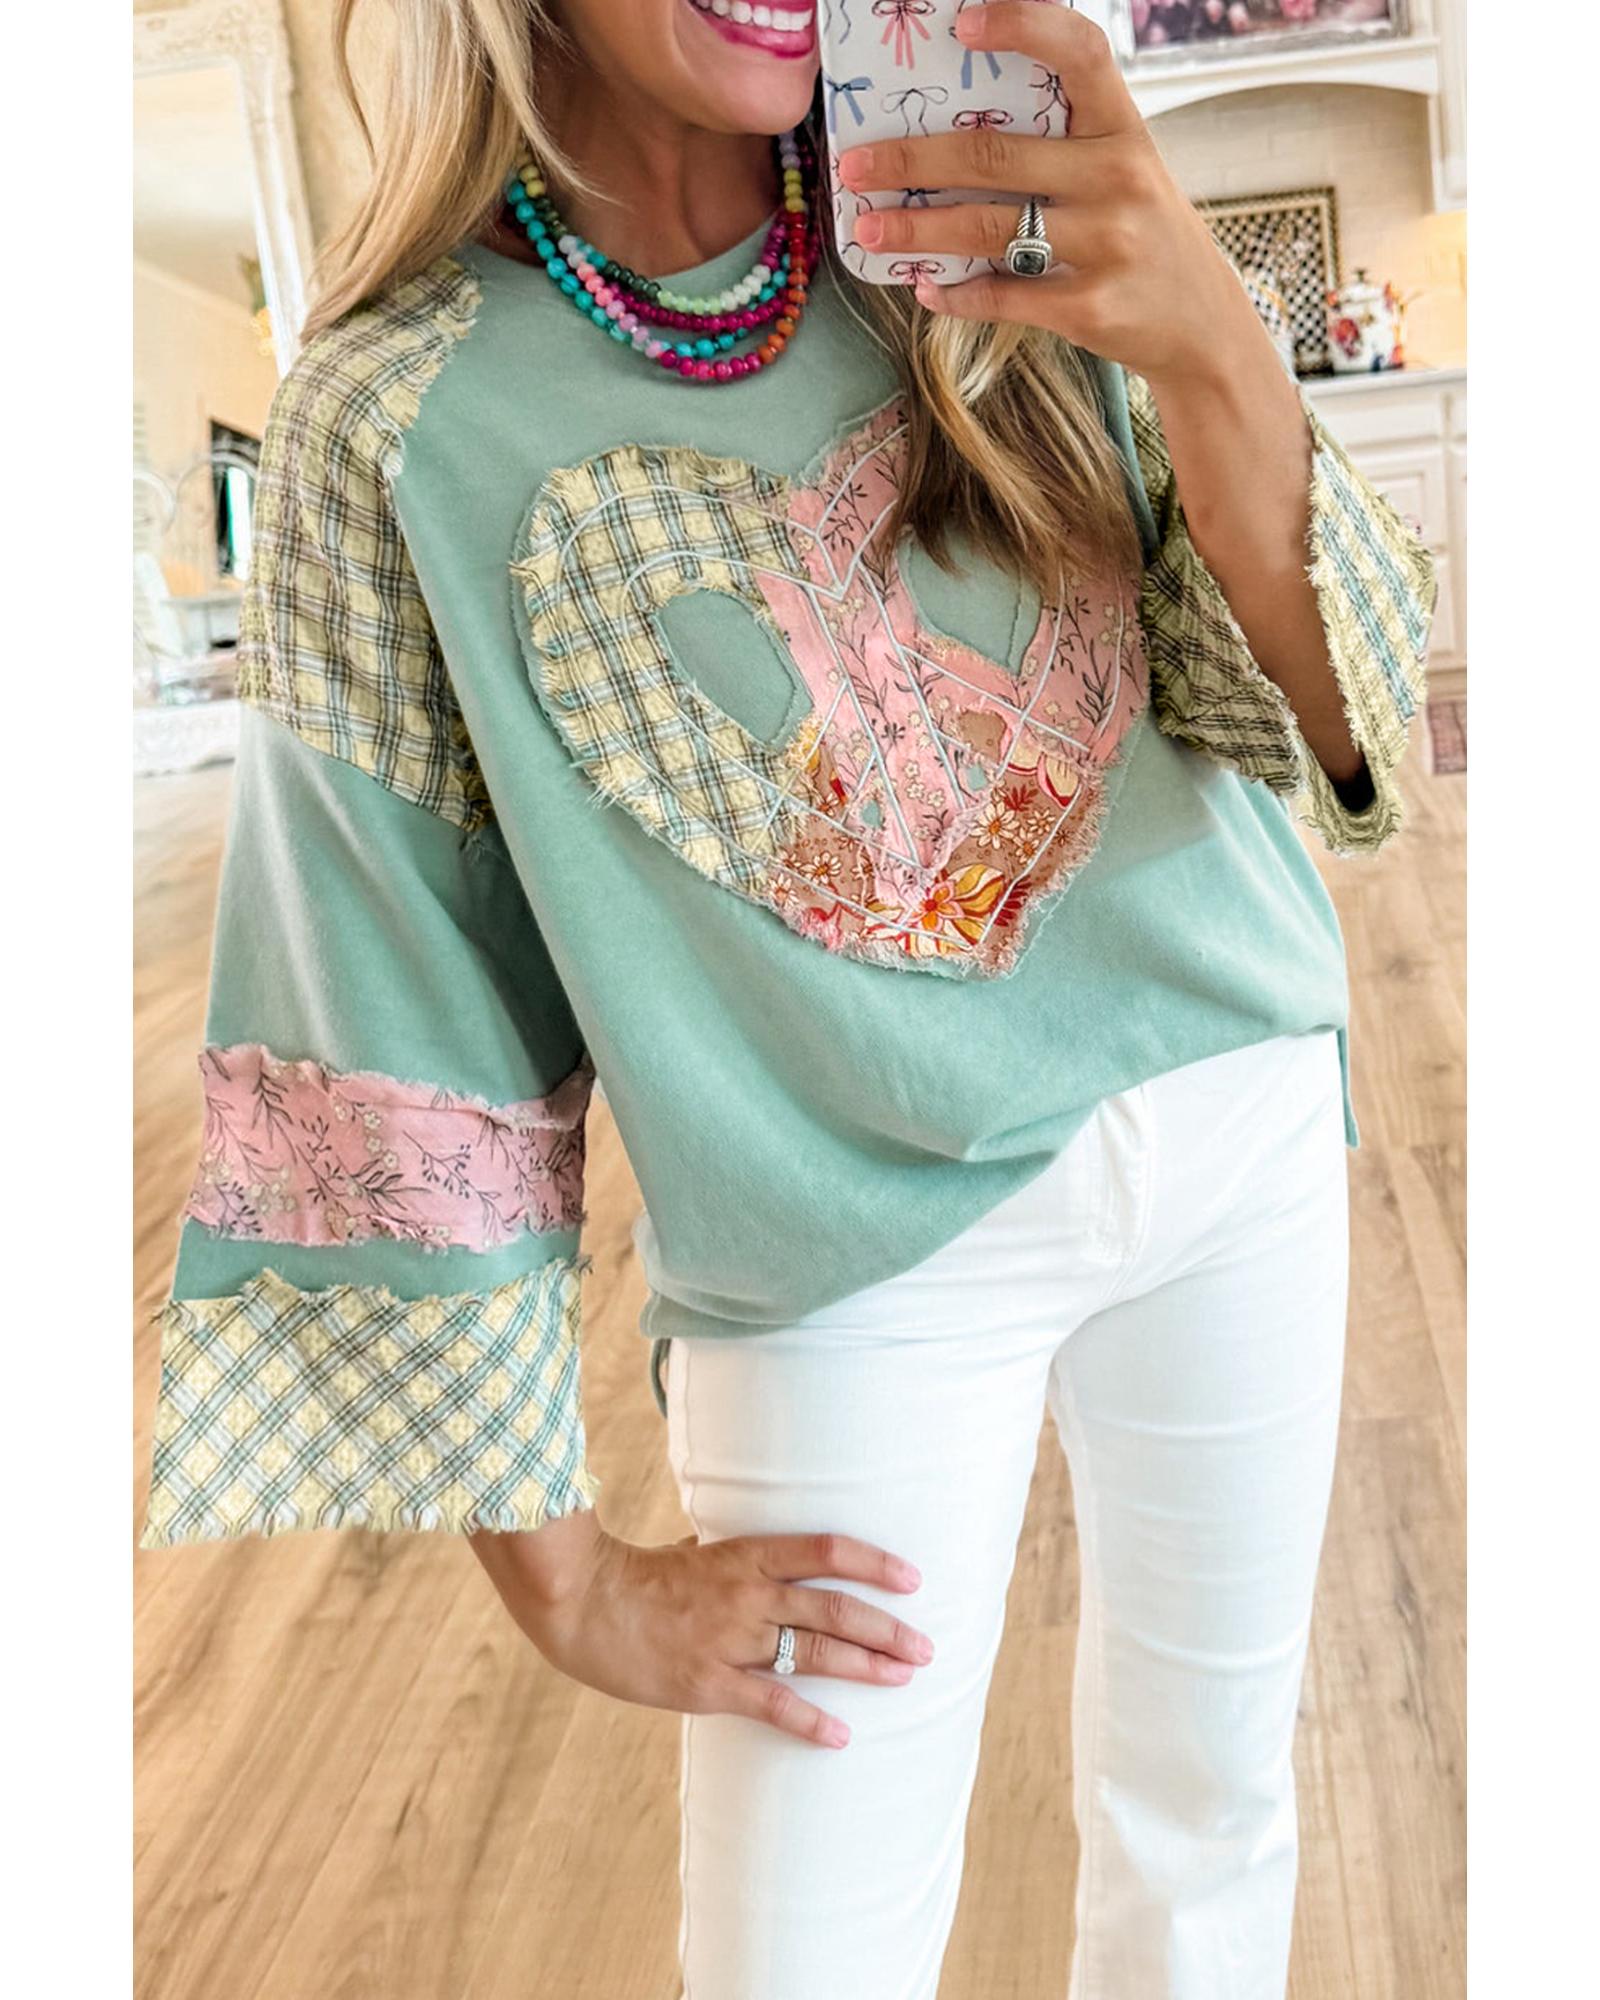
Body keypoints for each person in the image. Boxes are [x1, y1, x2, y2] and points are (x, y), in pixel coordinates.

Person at [137, 4, 1435, 1994]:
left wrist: (1208, 343)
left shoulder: (993, 208)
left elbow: (1333, 736)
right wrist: (570, 1586)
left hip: (1235, 1121)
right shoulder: (391, 415)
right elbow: (383, 999)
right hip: (842, 1260)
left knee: (1212, 1822)